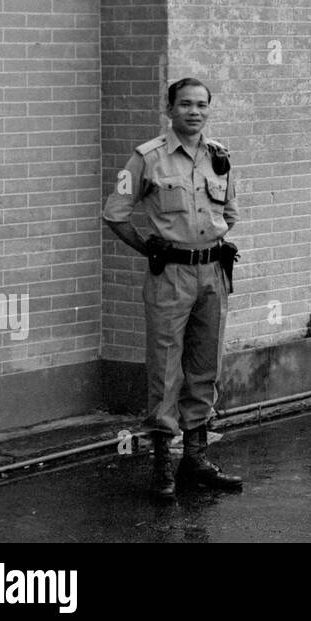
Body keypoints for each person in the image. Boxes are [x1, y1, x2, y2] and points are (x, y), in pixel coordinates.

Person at [103, 78, 243, 500]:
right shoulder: (147, 158)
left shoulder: (220, 157)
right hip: (171, 276)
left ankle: (195, 459)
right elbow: (115, 213)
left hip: (213, 273)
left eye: (201, 105)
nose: (194, 112)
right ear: (169, 109)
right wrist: (149, 247)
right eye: (185, 104)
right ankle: (163, 464)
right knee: (166, 368)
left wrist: (208, 240)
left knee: (205, 366)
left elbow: (230, 212)